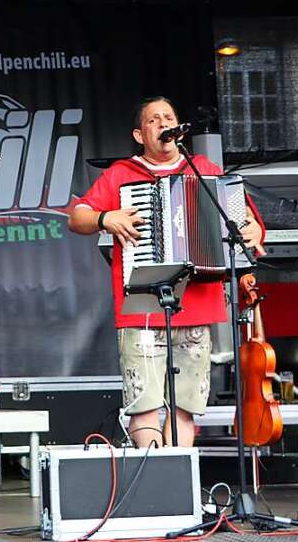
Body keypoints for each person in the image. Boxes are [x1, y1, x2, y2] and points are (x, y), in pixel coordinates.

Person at [69, 96, 265, 447]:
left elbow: (243, 218)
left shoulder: (203, 169)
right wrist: (105, 218)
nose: (163, 123)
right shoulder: (121, 174)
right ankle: (154, 486)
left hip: (199, 301)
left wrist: (254, 231)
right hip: (143, 305)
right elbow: (77, 217)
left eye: (169, 117)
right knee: (144, 406)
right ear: (139, 135)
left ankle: (181, 490)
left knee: (184, 407)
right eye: (153, 120)